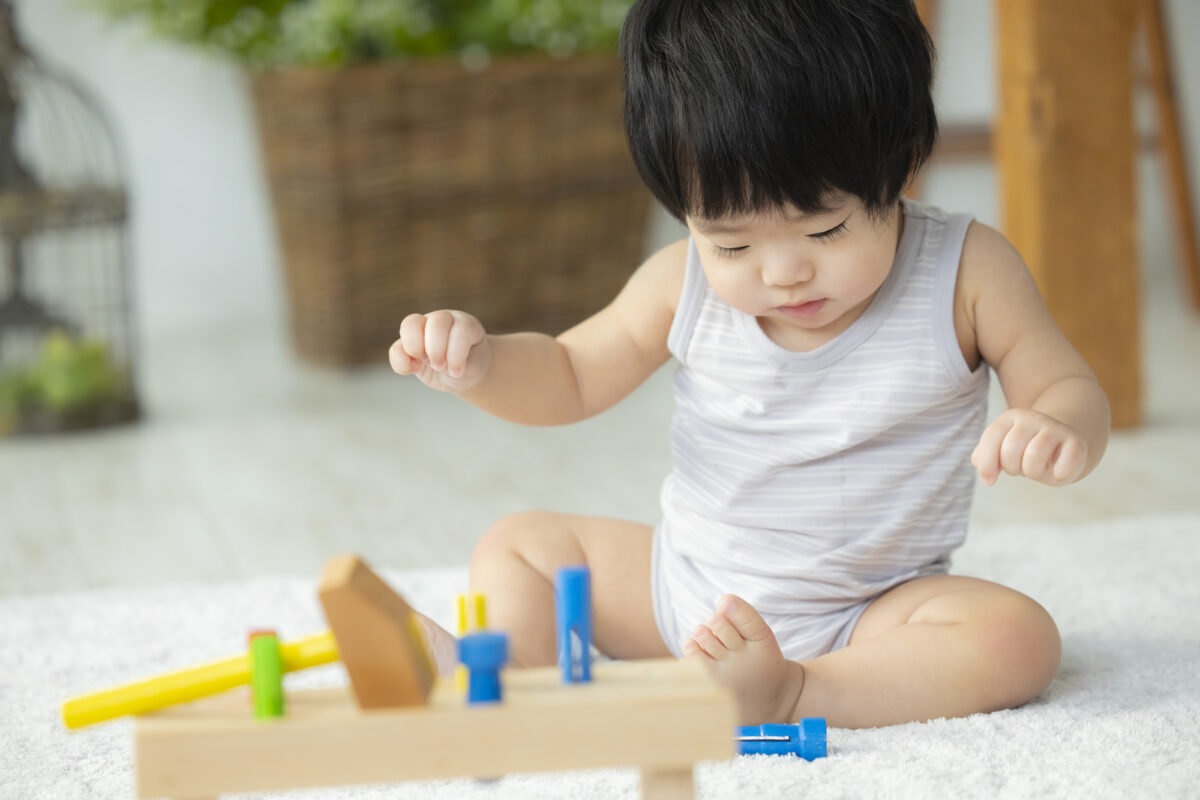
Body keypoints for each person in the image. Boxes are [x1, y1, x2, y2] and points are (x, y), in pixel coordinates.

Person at [390, 0, 1110, 729]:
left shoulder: (967, 273)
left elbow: (1062, 383)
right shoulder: (682, 283)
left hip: (866, 617)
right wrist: (481, 367)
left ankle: (796, 692)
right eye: (732, 244)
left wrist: (1055, 424)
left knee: (1016, 637)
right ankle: (512, 683)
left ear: (898, 166)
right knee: (521, 543)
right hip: (684, 592)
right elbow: (572, 374)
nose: (783, 272)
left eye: (825, 229)